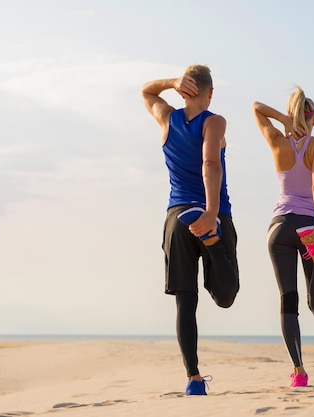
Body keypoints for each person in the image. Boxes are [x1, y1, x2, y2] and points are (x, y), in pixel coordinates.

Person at [142, 65, 239, 396]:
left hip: (177, 217)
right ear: (210, 93)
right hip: (213, 214)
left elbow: (147, 92)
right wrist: (211, 214)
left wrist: (170, 82)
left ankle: (194, 379)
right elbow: (210, 163)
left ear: (184, 90)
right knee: (226, 296)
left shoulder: (167, 118)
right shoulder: (214, 121)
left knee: (186, 301)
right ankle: (212, 243)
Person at [253, 86, 314, 388]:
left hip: (279, 227)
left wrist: (282, 120)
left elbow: (256, 107)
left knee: (288, 301)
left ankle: (298, 371)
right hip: (309, 226)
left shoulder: (275, 141)